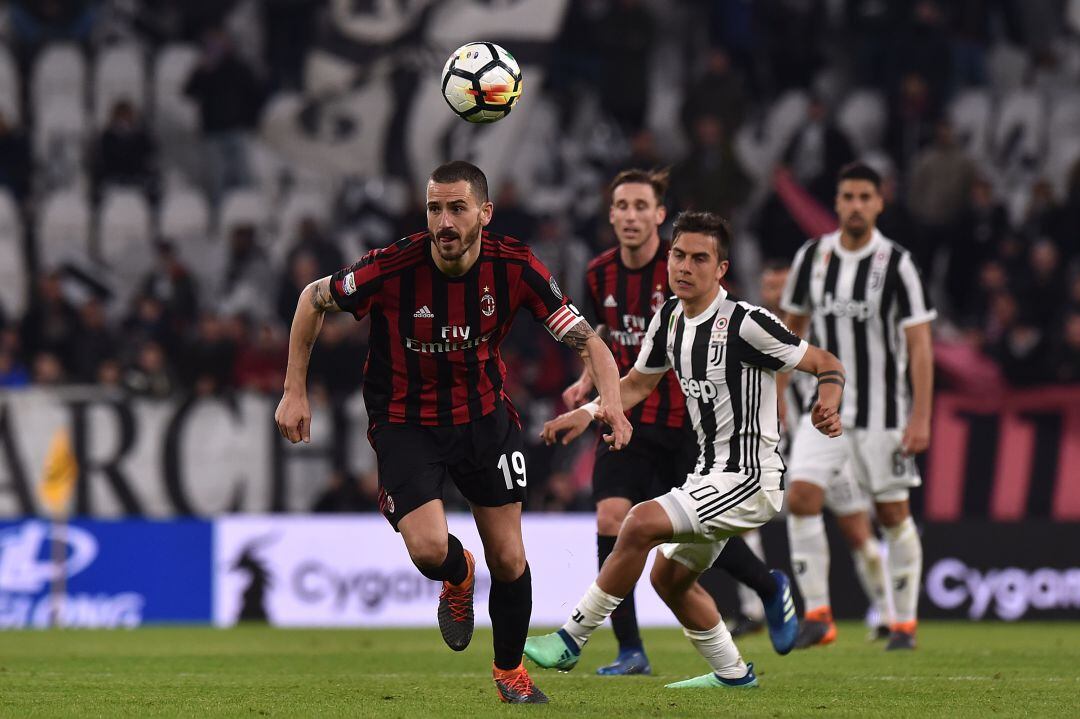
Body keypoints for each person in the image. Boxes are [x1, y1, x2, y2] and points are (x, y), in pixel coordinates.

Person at [274, 161, 631, 704]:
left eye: (457, 208)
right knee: (427, 549)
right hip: (405, 419)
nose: (443, 221)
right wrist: (294, 389)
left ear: (484, 213)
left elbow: (589, 341)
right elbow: (311, 299)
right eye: (435, 208)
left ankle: (510, 672)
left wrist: (614, 406)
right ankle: (457, 573)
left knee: (510, 558)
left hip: (484, 419)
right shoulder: (393, 266)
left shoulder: (515, 266)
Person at [525, 211, 845, 689]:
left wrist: (827, 402)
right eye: (678, 255)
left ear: (721, 269)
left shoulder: (747, 323)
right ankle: (733, 674)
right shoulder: (670, 318)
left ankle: (572, 637)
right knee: (666, 579)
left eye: (700, 258)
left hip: (751, 478)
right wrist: (588, 413)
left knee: (640, 522)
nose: (685, 266)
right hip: (709, 474)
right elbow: (635, 384)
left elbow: (826, 362)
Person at [561, 169, 799, 674]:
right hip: (626, 418)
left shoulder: (684, 275)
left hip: (687, 426)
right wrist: (589, 387)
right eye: (621, 205)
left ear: (658, 216)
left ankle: (766, 586)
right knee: (613, 520)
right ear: (611, 214)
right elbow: (599, 338)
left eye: (640, 206)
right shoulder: (599, 272)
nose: (630, 215)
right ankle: (630, 649)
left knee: (688, 533)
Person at [779, 162, 935, 651]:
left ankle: (904, 623)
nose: (855, 205)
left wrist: (921, 416)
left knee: (892, 514)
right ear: (838, 201)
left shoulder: (898, 264)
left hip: (884, 414)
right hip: (823, 410)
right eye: (847, 196)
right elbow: (789, 334)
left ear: (879, 202)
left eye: (865, 196)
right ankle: (820, 614)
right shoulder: (812, 258)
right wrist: (777, 396)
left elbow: (920, 346)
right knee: (801, 497)